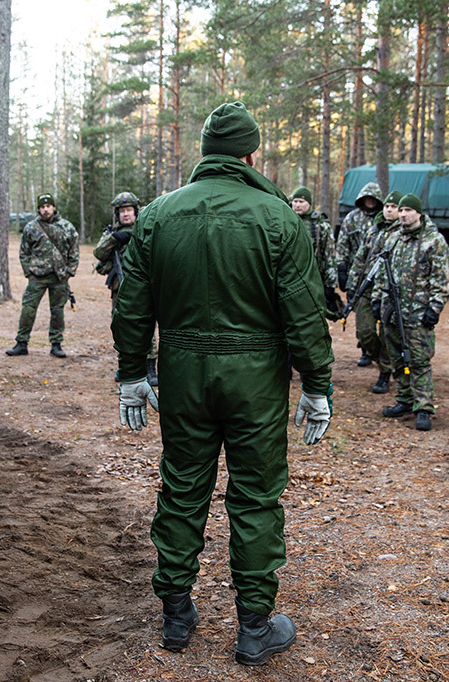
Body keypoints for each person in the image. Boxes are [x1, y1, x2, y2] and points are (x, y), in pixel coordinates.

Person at [111, 101, 333, 666]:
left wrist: (133, 372)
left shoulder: (159, 215)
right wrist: (316, 383)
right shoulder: (280, 218)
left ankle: (176, 614)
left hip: (184, 373)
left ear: (205, 153)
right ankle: (254, 626)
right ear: (250, 153)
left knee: (183, 487)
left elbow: (132, 307)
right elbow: (304, 313)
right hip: (256, 378)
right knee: (256, 494)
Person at [371, 193, 449, 431]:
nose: (404, 214)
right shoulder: (393, 239)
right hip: (392, 313)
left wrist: (435, 307)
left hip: (418, 315)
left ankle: (424, 407)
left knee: (419, 361)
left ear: (418, 213)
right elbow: (381, 271)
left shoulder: (433, 241)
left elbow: (443, 278)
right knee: (397, 359)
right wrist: (377, 299)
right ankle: (404, 400)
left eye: (408, 210)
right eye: (402, 210)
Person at [94, 191, 158, 385]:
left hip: (145, 286)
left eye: (129, 210)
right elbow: (98, 252)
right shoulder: (111, 233)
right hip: (120, 289)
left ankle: (150, 368)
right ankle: (128, 367)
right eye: (122, 211)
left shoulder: (146, 228)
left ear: (136, 211)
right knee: (122, 326)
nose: (126, 214)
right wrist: (115, 238)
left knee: (147, 325)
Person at [6, 193, 79, 358]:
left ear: (53, 207)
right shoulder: (31, 227)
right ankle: (21, 343)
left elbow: (74, 251)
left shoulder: (66, 227)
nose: (46, 210)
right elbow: (24, 252)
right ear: (39, 209)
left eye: (48, 206)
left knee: (57, 311)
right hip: (37, 276)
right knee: (28, 309)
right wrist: (28, 271)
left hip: (59, 276)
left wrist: (69, 272)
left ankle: (56, 344)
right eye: (42, 207)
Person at [348, 190, 403, 395]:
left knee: (386, 333)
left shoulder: (402, 233)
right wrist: (353, 284)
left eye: (394, 207)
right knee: (365, 331)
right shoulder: (374, 230)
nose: (389, 210)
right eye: (387, 206)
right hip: (367, 288)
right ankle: (379, 358)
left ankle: (385, 373)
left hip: (389, 292)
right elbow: (360, 258)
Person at [336, 181, 383, 366]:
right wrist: (341, 269)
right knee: (362, 318)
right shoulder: (352, 218)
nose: (370, 201)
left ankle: (382, 356)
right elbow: (343, 244)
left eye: (373, 198)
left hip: (381, 276)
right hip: (358, 275)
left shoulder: (383, 219)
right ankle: (367, 350)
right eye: (367, 198)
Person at [289, 186, 341, 318]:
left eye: (301, 202)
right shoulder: (286, 221)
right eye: (295, 201)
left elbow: (329, 256)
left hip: (313, 280)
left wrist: (330, 285)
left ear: (309, 204)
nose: (297, 205)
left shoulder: (320, 225)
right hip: (289, 279)